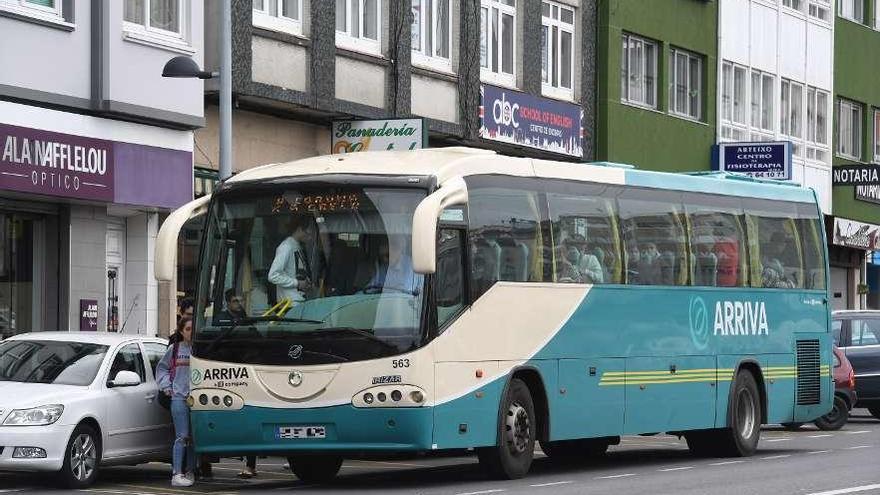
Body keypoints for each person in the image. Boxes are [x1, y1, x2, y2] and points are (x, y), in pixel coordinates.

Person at [156, 317, 195, 487]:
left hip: (197, 400)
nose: (190, 332)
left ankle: (190, 471)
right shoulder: (175, 349)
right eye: (187, 329)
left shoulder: (200, 350)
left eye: (193, 329)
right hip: (179, 397)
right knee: (182, 436)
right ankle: (177, 473)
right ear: (181, 331)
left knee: (194, 438)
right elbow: (162, 368)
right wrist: (167, 387)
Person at [268, 216, 314, 304]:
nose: (310, 237)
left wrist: (305, 283)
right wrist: (297, 283)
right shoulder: (286, 247)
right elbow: (273, 276)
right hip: (289, 303)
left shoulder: (297, 246)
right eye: (308, 233)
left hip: (299, 301)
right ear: (300, 229)